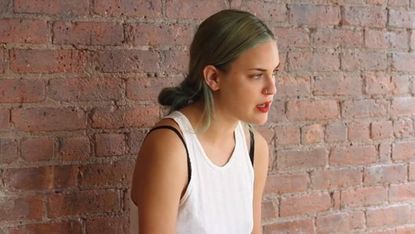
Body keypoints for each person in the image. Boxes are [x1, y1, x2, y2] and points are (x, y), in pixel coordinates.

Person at [131, 9, 280, 234]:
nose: (271, 88)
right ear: (213, 77)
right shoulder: (171, 147)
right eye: (256, 75)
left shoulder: (255, 148)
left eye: (274, 72)